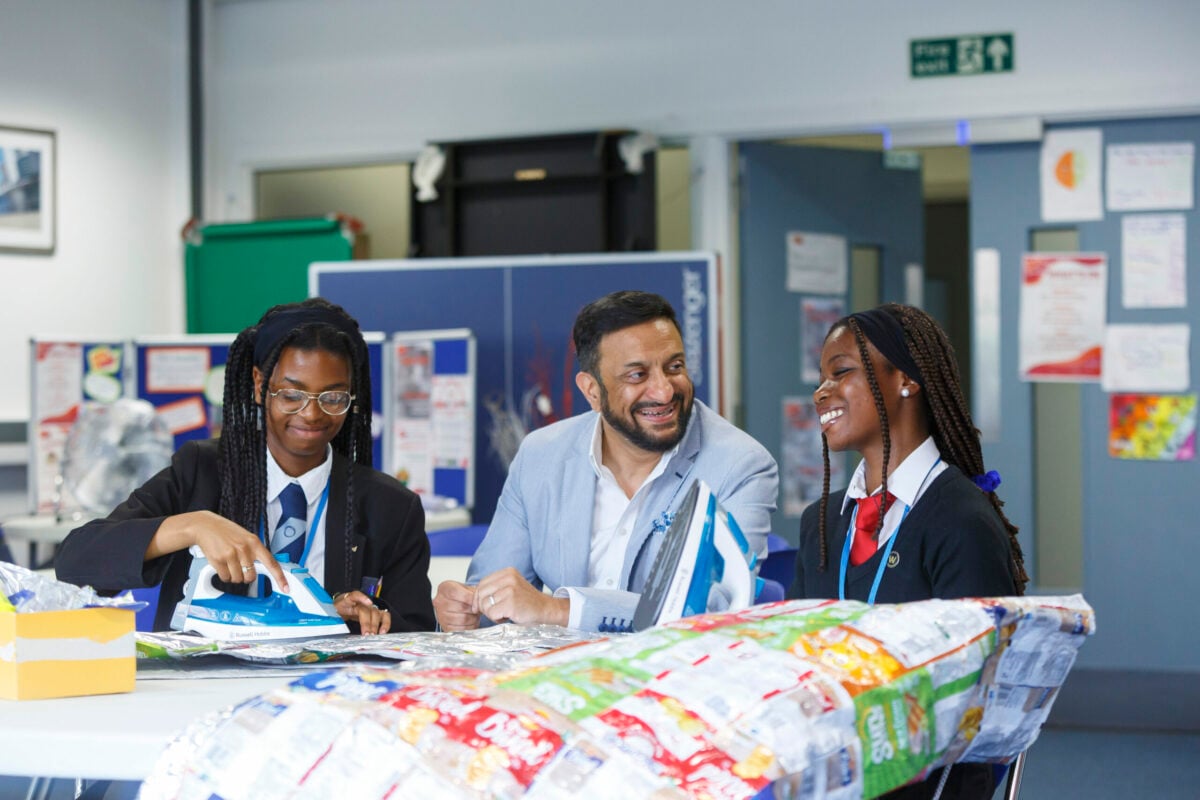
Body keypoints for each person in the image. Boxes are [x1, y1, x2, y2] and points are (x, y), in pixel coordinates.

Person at [56, 298, 435, 634]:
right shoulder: (201, 471)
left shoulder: (392, 508)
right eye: (291, 394)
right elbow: (76, 563)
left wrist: (345, 619)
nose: (312, 413)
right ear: (259, 385)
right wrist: (191, 525)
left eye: (333, 396)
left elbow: (416, 632)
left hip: (323, 697)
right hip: (200, 691)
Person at [789, 302, 1028, 800]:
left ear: (907, 381)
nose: (821, 392)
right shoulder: (821, 523)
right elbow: (794, 659)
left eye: (842, 372)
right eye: (820, 378)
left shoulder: (960, 521)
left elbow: (977, 705)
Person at [434, 290, 778, 633]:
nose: (664, 391)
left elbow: (716, 610)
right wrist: (465, 609)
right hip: (557, 675)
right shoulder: (541, 456)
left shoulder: (740, 465)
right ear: (592, 392)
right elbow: (492, 597)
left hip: (673, 675)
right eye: (637, 375)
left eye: (674, 367)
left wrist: (559, 610)